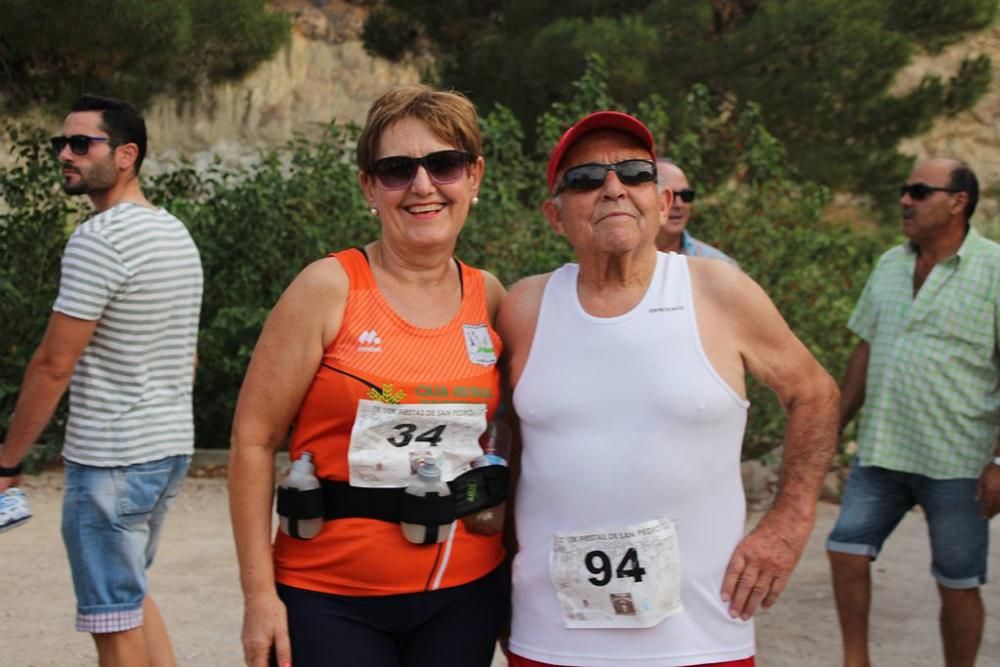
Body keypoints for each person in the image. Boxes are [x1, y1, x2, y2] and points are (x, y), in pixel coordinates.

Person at [497, 111, 839, 667]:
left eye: (633, 173)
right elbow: (502, 438)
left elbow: (815, 393)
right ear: (555, 216)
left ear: (660, 200)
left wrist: (788, 523)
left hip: (700, 640)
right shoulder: (524, 307)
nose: (612, 188)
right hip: (549, 638)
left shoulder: (718, 291)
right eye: (585, 179)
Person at [228, 84, 508, 667]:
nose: (423, 185)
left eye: (444, 164)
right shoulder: (327, 288)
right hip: (331, 598)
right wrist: (258, 596)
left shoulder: (493, 298)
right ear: (369, 187)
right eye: (397, 169)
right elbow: (253, 441)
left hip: (463, 595)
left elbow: (522, 431)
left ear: (474, 177)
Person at [0, 94, 203, 666]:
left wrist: (8, 461)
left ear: (125, 155)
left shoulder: (100, 240)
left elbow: (52, 364)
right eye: (61, 143)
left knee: (112, 622)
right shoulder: (173, 234)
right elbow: (186, 357)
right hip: (166, 449)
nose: (65, 154)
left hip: (112, 458)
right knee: (130, 596)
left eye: (81, 143)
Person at [827, 158, 1000, 667]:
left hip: (958, 462)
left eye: (919, 191)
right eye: (904, 190)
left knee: (957, 583)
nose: (905, 200)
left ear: (958, 202)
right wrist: (831, 428)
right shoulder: (889, 264)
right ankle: (856, 662)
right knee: (844, 548)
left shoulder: (994, 270)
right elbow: (865, 350)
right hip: (882, 450)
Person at [654, 158, 736, 264]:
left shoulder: (718, 266)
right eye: (668, 197)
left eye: (686, 195)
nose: (679, 204)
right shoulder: (626, 262)